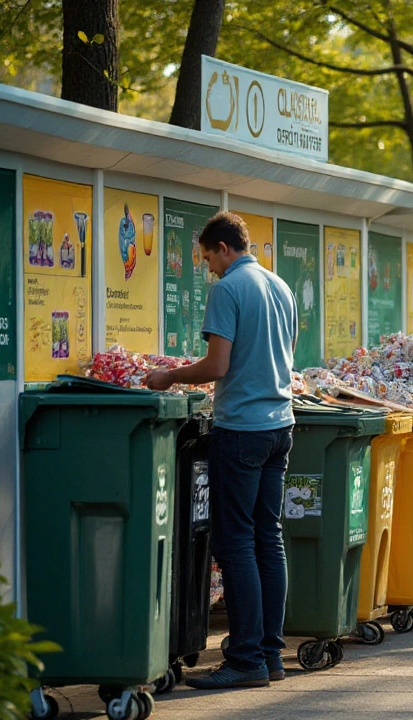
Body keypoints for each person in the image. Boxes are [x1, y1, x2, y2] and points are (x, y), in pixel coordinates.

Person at [146, 212, 297, 689]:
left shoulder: (228, 289)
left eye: (208, 256)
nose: (208, 266)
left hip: (243, 429)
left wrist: (169, 376)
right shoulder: (280, 286)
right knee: (267, 538)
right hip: (280, 425)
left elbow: (217, 363)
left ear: (224, 248)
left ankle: (245, 659)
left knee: (235, 543)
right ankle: (270, 654)